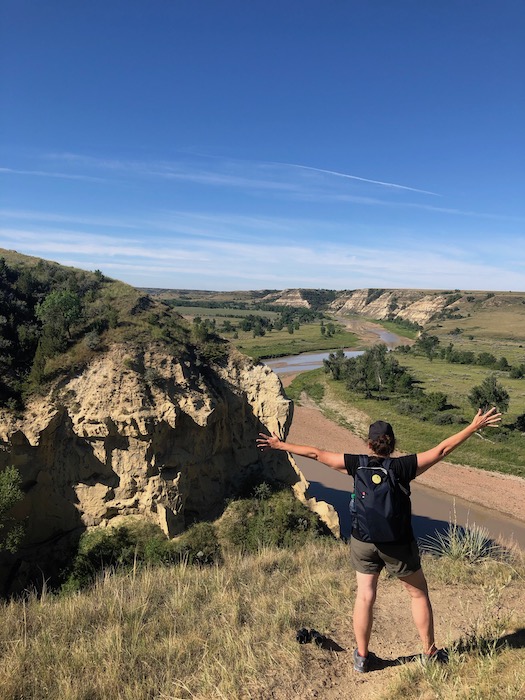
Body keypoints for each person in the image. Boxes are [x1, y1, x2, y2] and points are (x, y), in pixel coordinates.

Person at [256, 406, 501, 672]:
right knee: (418, 594)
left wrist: (280, 445)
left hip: (363, 540)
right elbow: (442, 450)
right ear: (393, 444)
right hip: (397, 542)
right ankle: (430, 652)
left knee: (365, 596)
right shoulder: (404, 467)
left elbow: (315, 453)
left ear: (369, 443)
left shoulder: (355, 464)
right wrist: (472, 427)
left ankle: (362, 657)